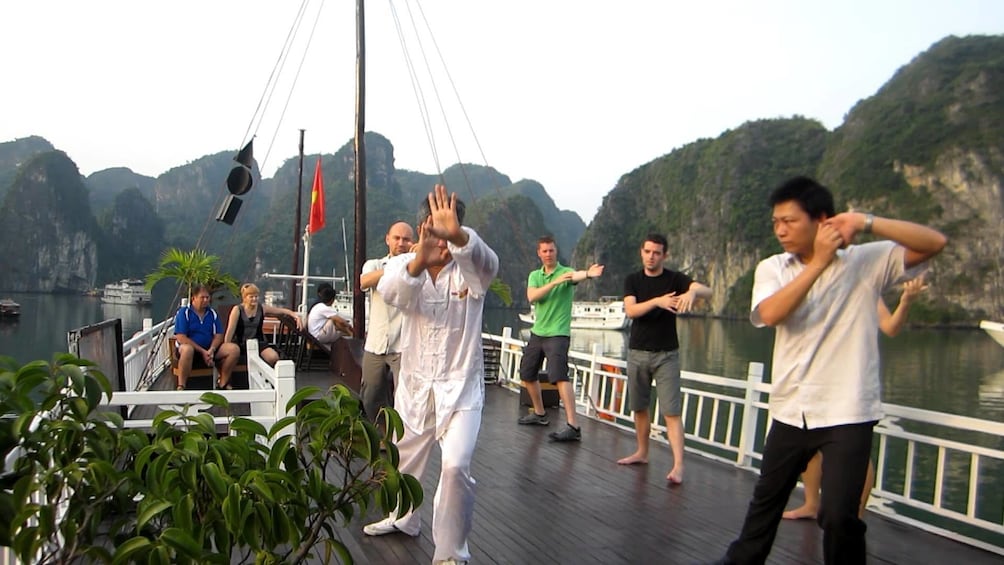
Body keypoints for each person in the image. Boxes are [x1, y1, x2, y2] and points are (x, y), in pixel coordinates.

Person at [719, 176, 946, 565]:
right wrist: (819, 263)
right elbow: (772, 313)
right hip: (792, 408)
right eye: (776, 222)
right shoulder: (773, 267)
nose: (780, 230)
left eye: (789, 221)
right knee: (765, 504)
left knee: (840, 516)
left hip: (848, 411)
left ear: (821, 220)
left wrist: (864, 221)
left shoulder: (865, 262)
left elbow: (934, 243)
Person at [362, 184, 499, 565]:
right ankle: (403, 518)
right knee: (404, 457)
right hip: (416, 383)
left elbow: (488, 264)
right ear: (423, 226)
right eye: (434, 226)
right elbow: (393, 294)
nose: (440, 235)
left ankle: (451, 552)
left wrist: (457, 236)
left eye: (449, 227)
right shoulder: (403, 266)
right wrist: (419, 258)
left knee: (455, 467)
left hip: (461, 390)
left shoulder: (470, 270)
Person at [783, 275, 928, 520]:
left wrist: (906, 301)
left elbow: (891, 327)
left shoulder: (865, 289)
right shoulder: (815, 285)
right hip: (815, 378)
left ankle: (856, 513)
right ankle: (811, 504)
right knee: (808, 444)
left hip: (851, 382)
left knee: (854, 451)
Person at [616, 233, 711, 484]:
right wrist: (658, 301)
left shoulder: (675, 279)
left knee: (672, 411)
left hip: (667, 354)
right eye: (647, 251)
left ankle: (678, 466)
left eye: (656, 252)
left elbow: (707, 291)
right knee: (639, 407)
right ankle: (642, 452)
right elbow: (631, 310)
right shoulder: (633, 280)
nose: (651, 256)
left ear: (664, 255)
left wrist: (692, 292)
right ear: (641, 252)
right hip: (637, 352)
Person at [517, 235, 604, 442]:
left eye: (551, 250)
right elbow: (532, 296)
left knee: (559, 377)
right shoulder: (535, 276)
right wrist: (554, 283)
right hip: (538, 332)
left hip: (558, 334)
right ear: (539, 253)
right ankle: (539, 413)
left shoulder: (565, 273)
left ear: (556, 252)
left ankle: (573, 426)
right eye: (544, 251)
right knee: (527, 373)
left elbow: (576, 276)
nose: (548, 254)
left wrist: (589, 274)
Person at [359, 221, 415, 421]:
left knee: (406, 397)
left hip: (404, 345)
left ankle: (401, 439)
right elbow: (364, 281)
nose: (401, 243)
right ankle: (382, 433)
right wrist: (398, 266)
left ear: (413, 242)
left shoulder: (416, 268)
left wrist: (415, 261)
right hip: (376, 343)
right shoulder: (375, 264)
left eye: (406, 239)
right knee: (371, 394)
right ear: (387, 240)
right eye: (397, 238)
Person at [222, 283, 303, 383]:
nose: (254, 299)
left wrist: (295, 316)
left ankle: (266, 379)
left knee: (273, 357)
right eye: (251, 297)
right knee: (234, 354)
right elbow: (230, 330)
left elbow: (279, 311)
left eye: (256, 296)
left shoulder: (261, 308)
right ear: (245, 298)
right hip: (241, 343)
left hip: (259, 342)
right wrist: (226, 346)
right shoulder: (237, 310)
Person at [173, 284, 240, 390]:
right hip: (190, 350)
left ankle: (222, 382)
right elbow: (181, 337)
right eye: (202, 297)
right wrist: (202, 351)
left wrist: (211, 349)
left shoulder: (212, 313)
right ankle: (182, 385)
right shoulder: (184, 313)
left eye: (207, 297)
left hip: (210, 349)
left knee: (233, 349)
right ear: (194, 298)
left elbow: (219, 335)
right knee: (187, 349)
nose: (205, 300)